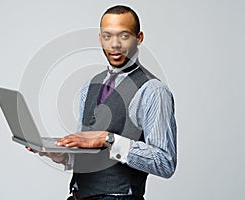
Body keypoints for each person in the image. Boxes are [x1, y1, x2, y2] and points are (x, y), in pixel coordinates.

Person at [27, 5, 177, 200]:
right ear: (100, 38)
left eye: (124, 36)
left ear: (139, 38)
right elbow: (91, 151)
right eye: (107, 36)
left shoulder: (153, 90)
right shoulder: (90, 85)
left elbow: (164, 162)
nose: (114, 44)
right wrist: (64, 156)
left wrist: (110, 140)